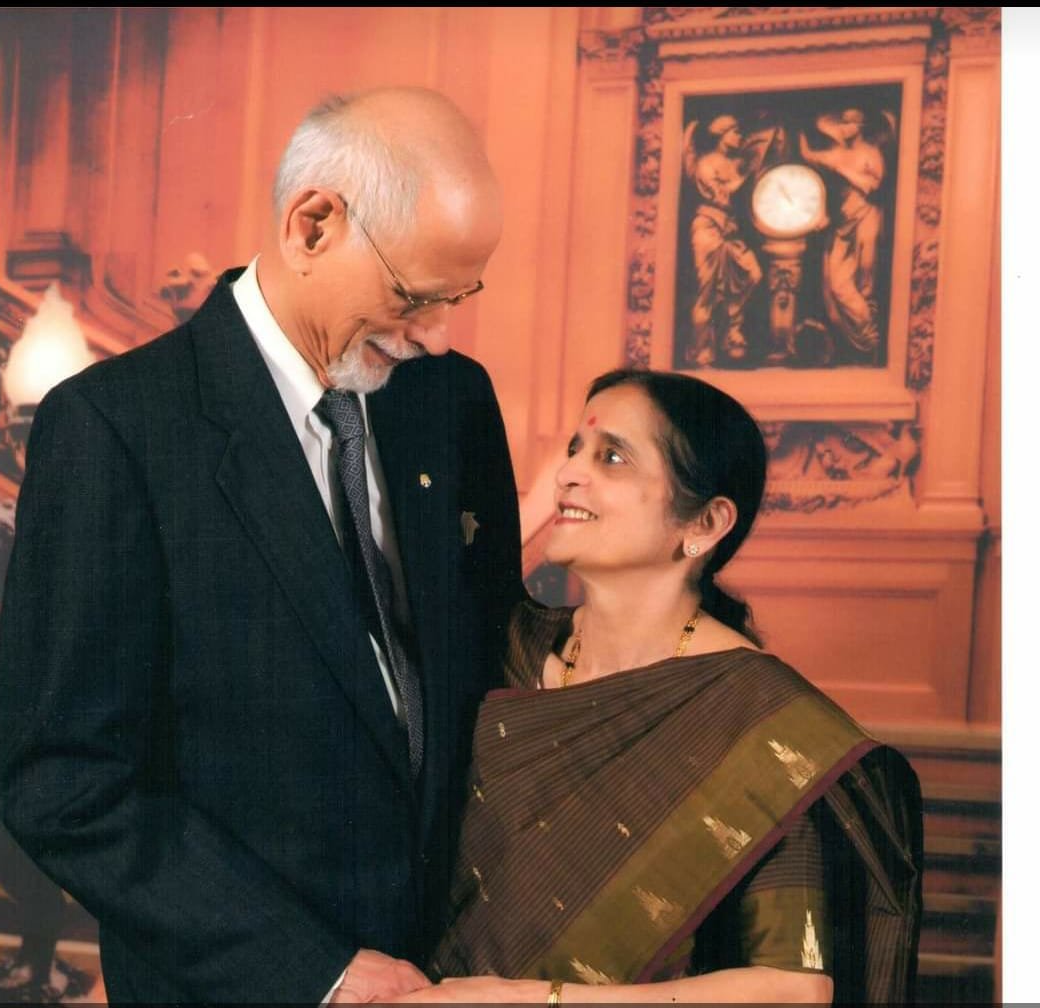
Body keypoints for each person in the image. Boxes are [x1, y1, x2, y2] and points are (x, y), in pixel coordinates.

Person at [0, 87, 523, 1004]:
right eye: (414, 297)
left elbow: (484, 675)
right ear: (312, 225)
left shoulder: (453, 401)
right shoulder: (115, 428)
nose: (439, 337)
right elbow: (64, 780)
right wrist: (316, 973)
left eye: (459, 297)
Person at [394, 369, 922, 1004]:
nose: (569, 472)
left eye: (612, 457)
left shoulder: (757, 717)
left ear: (705, 523)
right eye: (574, 449)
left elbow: (793, 988)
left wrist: (532, 1000)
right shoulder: (512, 648)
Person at [800, 108, 888, 355]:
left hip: (866, 217)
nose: (844, 128)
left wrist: (842, 170)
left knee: (866, 278)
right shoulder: (837, 154)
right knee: (837, 283)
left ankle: (870, 341)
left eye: (850, 123)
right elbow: (810, 156)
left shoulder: (871, 153)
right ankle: (864, 334)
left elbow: (873, 186)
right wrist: (798, 129)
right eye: (842, 123)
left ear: (860, 127)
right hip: (843, 224)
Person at [683, 115, 766, 366]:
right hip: (708, 228)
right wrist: (746, 176)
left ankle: (732, 327)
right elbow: (721, 195)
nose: (739, 137)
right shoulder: (706, 163)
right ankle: (701, 351)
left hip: (730, 232)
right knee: (707, 291)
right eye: (735, 132)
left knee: (753, 274)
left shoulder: (733, 163)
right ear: (722, 134)